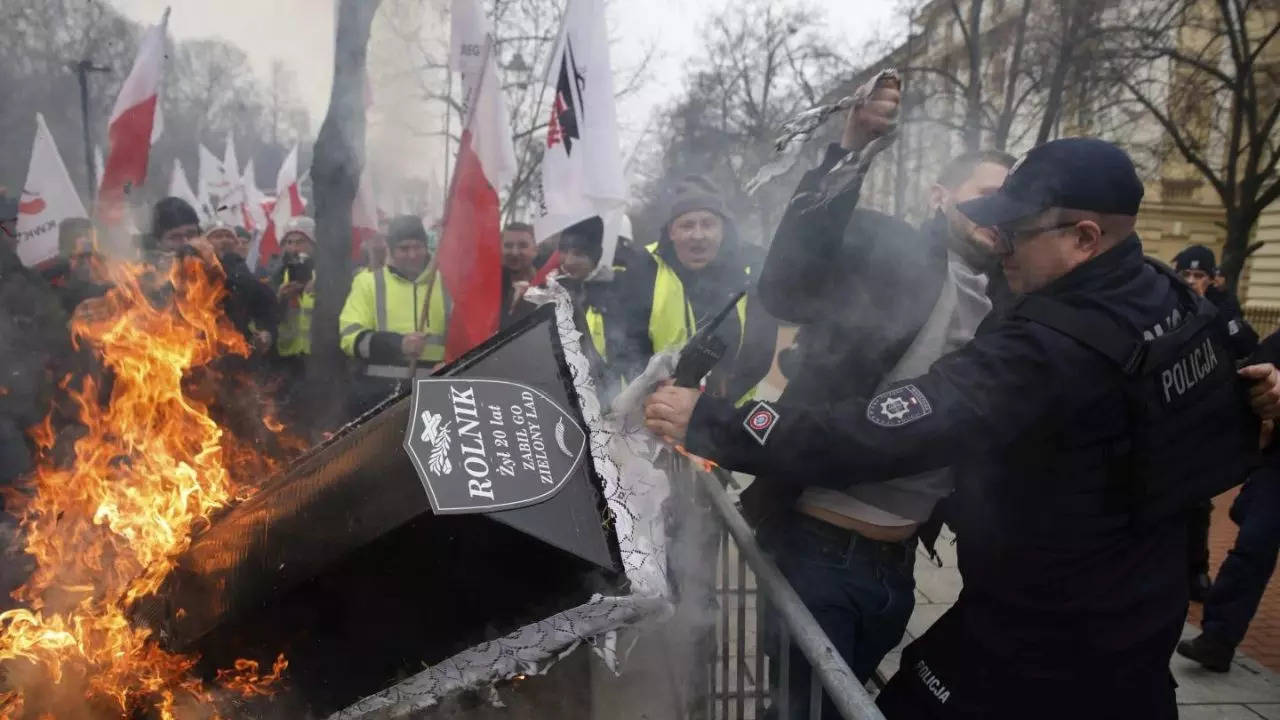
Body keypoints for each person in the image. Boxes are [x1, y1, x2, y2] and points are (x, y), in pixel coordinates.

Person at [645, 138, 1262, 719]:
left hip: (1044, 631)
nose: (1003, 246)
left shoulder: (1047, 348)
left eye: (1018, 233)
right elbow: (1228, 404)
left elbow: (881, 431)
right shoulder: (1164, 292)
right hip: (1138, 627)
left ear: (1083, 238)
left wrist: (714, 422)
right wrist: (1261, 387)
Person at [670, 78, 1015, 714]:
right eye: (985, 196)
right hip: (821, 554)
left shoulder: (1012, 301)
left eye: (1013, 201)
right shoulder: (891, 250)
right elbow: (789, 283)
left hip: (899, 565)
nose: (1001, 214)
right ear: (940, 197)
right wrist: (852, 149)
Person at [615, 175, 778, 404]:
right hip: (657, 412)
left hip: (728, 416)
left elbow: (760, 352)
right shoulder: (645, 267)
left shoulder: (751, 268)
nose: (698, 235)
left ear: (722, 229)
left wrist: (713, 406)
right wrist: (660, 389)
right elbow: (626, 343)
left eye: (708, 224)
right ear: (671, 232)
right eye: (687, 225)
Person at [1173, 243, 1259, 601]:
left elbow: (1245, 344)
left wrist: (1219, 308)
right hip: (1167, 412)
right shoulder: (1164, 302)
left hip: (1201, 416)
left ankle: (1196, 570)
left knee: (1197, 501)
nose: (1192, 281)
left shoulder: (1221, 308)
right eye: (1186, 275)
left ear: (1212, 279)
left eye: (1199, 276)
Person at [339, 215, 448, 416]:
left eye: (417, 247)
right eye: (404, 248)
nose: (412, 254)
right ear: (391, 250)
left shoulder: (446, 283)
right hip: (377, 395)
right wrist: (398, 344)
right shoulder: (369, 283)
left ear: (427, 247)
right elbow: (350, 337)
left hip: (435, 393)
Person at [500, 221, 538, 328]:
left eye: (522, 246)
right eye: (508, 245)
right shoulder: (489, 287)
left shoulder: (548, 289)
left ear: (535, 250)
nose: (515, 252)